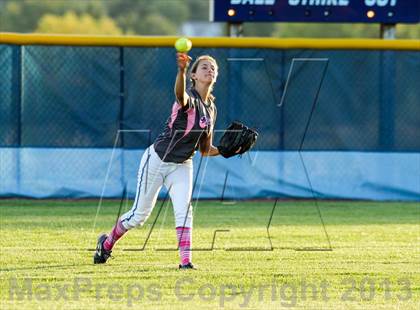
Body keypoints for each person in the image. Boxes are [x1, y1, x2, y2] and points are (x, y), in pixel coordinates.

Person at [94, 52, 221, 269]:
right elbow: (179, 94)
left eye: (213, 68)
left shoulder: (211, 109)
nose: (209, 70)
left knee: (184, 210)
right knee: (138, 216)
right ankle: (106, 244)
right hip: (158, 160)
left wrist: (227, 150)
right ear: (193, 75)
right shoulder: (189, 98)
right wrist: (180, 71)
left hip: (183, 165)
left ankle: (185, 262)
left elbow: (205, 149)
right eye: (204, 67)